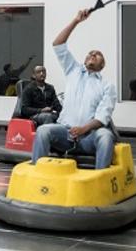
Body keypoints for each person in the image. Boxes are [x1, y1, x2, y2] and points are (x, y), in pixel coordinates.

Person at [31, 9, 117, 169]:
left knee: (106, 136)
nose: (93, 54)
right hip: (66, 133)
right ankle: (37, 175)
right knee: (43, 131)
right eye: (90, 53)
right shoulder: (73, 70)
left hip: (89, 137)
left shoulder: (107, 85)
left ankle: (100, 183)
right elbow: (58, 44)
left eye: (97, 54)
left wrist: (83, 129)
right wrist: (76, 21)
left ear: (102, 64)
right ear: (84, 60)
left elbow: (103, 116)